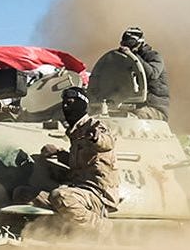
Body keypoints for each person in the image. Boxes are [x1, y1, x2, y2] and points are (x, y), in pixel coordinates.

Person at [36, 85, 119, 232]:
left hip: (97, 193)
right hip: (77, 188)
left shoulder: (94, 126)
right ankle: (53, 230)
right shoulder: (75, 132)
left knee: (60, 196)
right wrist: (58, 153)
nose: (65, 107)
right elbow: (80, 162)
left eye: (70, 103)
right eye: (64, 103)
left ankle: (102, 227)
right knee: (25, 194)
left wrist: (96, 138)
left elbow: (107, 142)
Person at [120, 26, 170, 118]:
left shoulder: (154, 56)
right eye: (124, 43)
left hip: (155, 108)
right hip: (134, 106)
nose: (127, 46)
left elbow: (153, 74)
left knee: (133, 117)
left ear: (140, 42)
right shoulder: (127, 60)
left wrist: (134, 57)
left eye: (130, 43)